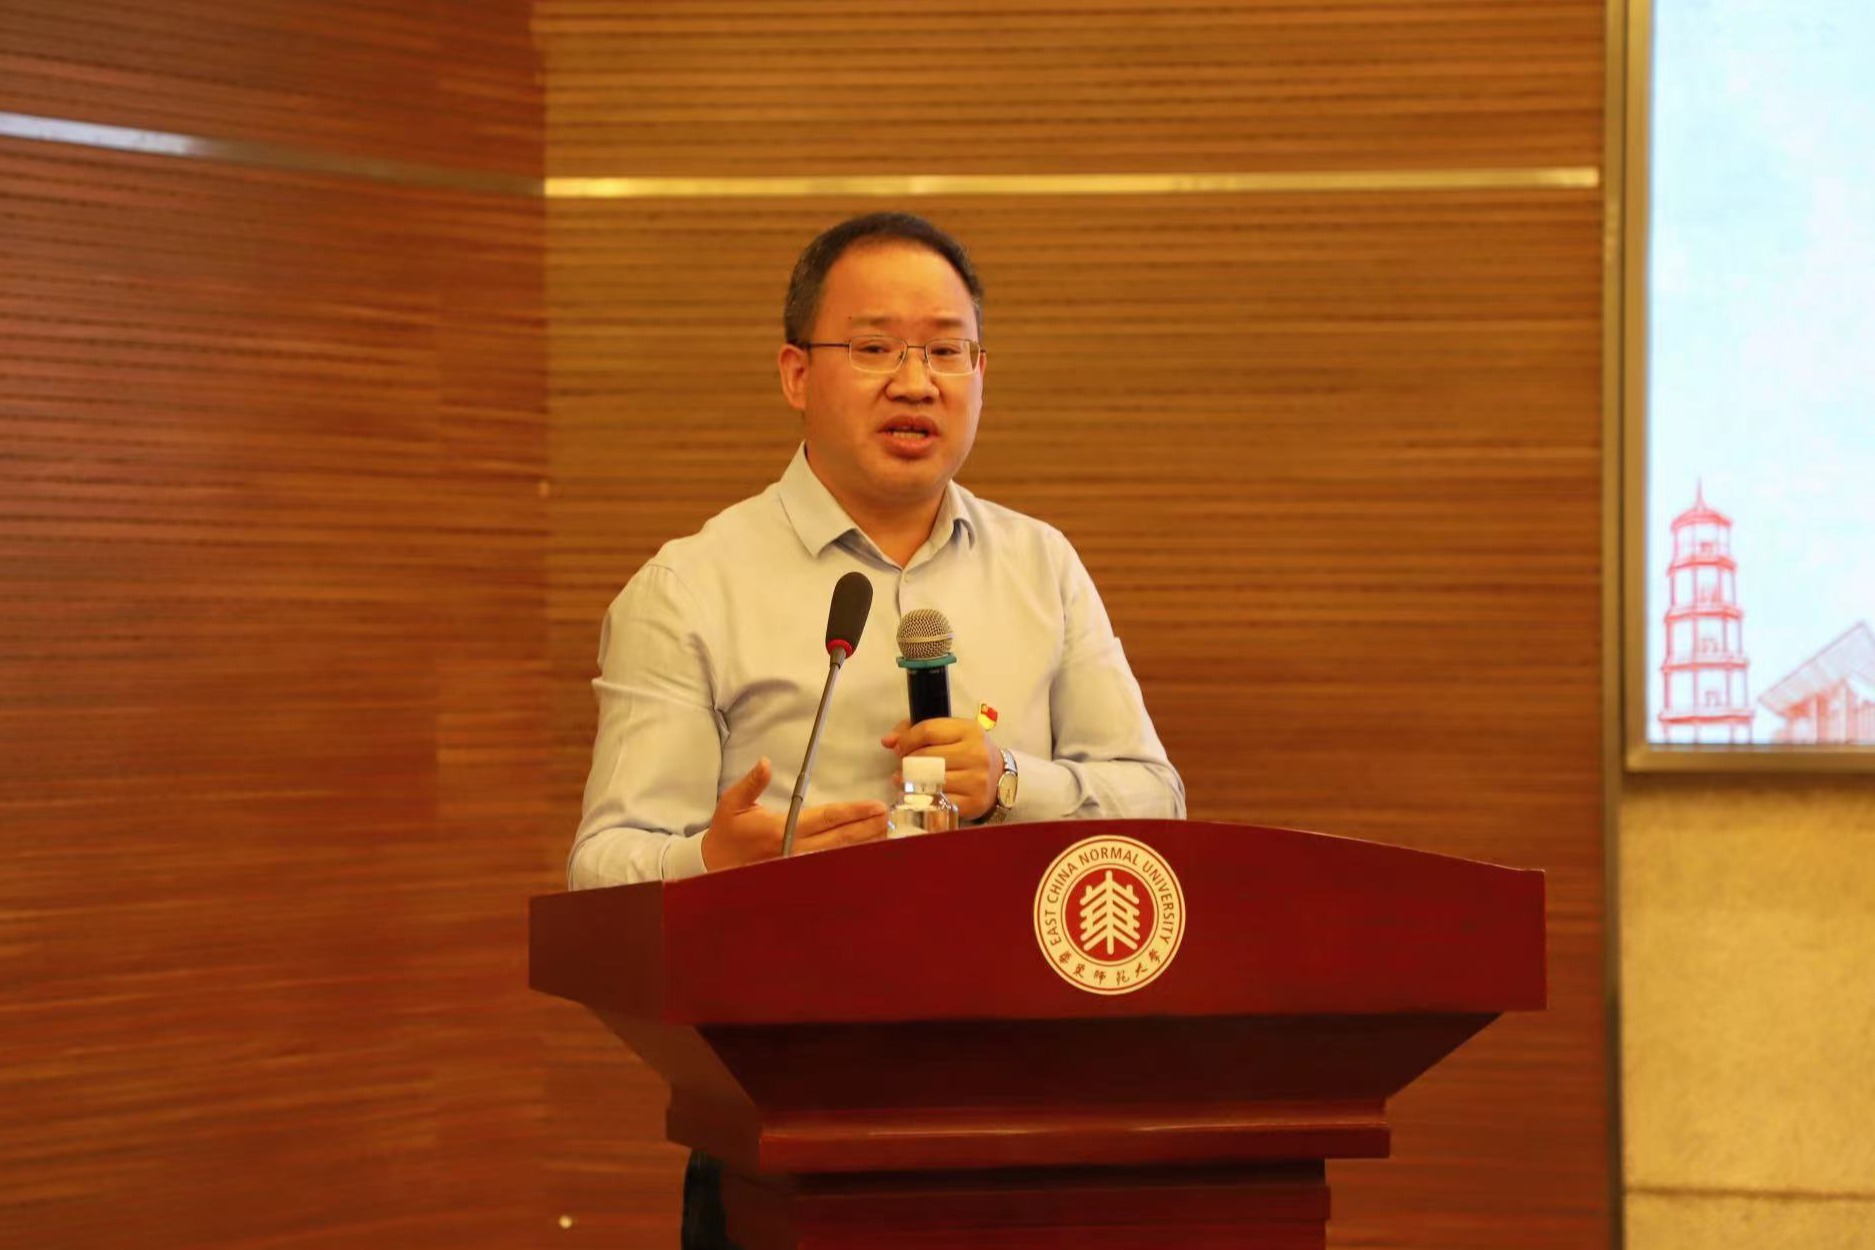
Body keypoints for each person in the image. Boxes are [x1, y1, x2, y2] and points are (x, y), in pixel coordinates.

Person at [566, 211, 1185, 1247]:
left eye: (945, 351)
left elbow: (1156, 801)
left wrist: (1012, 783)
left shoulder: (1043, 567)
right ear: (796, 373)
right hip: (791, 1113)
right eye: (874, 348)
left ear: (980, 374)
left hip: (1035, 1100)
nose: (915, 382)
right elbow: (601, 870)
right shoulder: (689, 590)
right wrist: (714, 861)